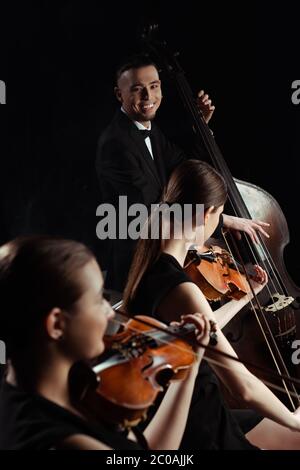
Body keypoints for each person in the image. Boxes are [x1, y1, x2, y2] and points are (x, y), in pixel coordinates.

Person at [123, 159, 300, 450]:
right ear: (207, 215)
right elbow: (242, 387)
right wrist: (294, 419)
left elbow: (206, 327)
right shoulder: (179, 286)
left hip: (189, 411)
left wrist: (244, 297)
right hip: (201, 427)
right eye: (220, 215)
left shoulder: (151, 267)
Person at [0, 235, 213, 450]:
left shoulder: (50, 381)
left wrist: (190, 364)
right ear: (56, 324)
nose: (109, 313)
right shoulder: (63, 442)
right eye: (99, 299)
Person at [96, 54, 270, 291]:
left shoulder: (149, 129)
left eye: (154, 86)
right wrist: (222, 218)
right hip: (140, 260)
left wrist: (202, 127)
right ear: (120, 94)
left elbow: (187, 170)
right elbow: (148, 209)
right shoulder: (116, 144)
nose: (148, 97)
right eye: (138, 89)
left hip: (163, 242)